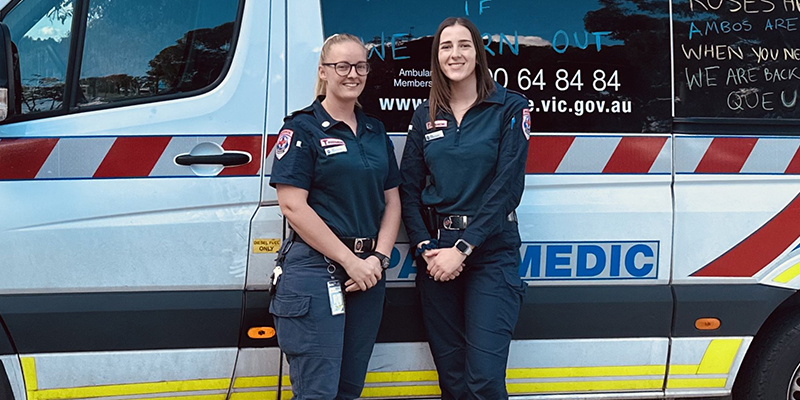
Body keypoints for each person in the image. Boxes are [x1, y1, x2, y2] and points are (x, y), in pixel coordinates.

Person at [399, 17, 530, 400]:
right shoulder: (424, 115)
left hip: (490, 251)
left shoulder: (509, 108)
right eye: (445, 46)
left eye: (464, 45)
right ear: (436, 57)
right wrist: (424, 246)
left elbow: (507, 187)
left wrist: (464, 247)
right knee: (453, 380)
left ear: (478, 53)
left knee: (484, 380)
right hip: (437, 254)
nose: (455, 54)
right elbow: (408, 188)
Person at [269, 33, 401, 400]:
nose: (352, 74)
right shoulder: (301, 129)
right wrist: (349, 261)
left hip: (367, 275)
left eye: (360, 66)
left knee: (347, 390)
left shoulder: (375, 131)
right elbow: (293, 206)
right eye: (341, 66)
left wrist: (377, 259)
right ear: (324, 72)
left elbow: (392, 201)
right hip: (316, 271)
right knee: (317, 393)